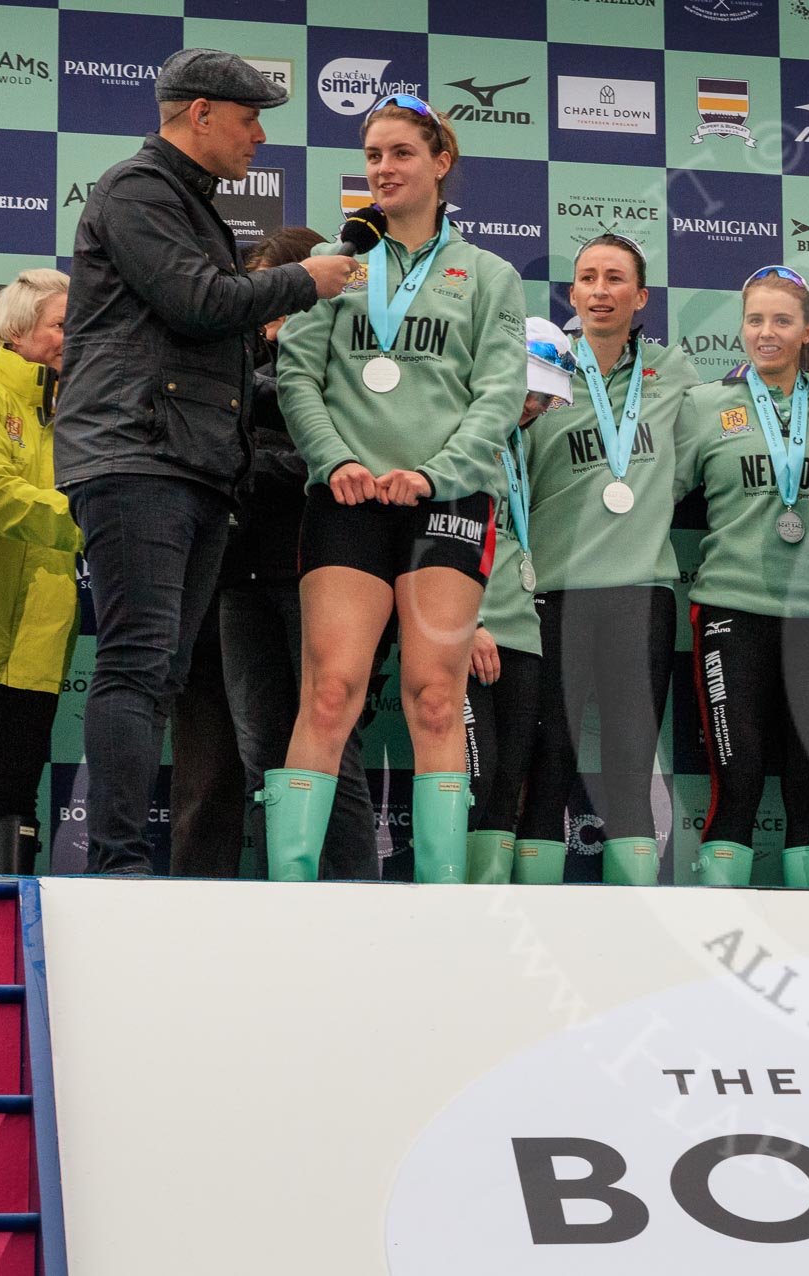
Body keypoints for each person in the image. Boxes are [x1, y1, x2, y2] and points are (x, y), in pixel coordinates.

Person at [56, 48, 355, 875]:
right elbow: (199, 302)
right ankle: (116, 866)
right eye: (250, 116)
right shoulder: (139, 191)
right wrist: (305, 281)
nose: (260, 134)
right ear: (200, 115)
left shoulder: (185, 203)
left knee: (159, 671)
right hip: (137, 457)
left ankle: (124, 862)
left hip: (182, 465)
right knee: (135, 665)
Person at [265, 94, 525, 884]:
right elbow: (297, 376)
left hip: (444, 503)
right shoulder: (336, 268)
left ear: (441, 163)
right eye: (373, 155)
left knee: (434, 697)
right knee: (332, 690)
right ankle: (293, 895)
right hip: (344, 501)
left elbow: (500, 392)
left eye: (401, 153)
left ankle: (441, 903)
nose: (383, 169)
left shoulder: (488, 274)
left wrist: (436, 472)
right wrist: (333, 458)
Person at [512, 235, 698, 886]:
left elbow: (695, 463)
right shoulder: (542, 370)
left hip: (641, 593)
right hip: (554, 593)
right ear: (572, 293)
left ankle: (636, 925)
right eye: (586, 277)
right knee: (549, 760)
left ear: (640, 296)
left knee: (629, 763)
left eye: (614, 278)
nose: (598, 289)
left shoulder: (672, 371)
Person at [681, 267, 809, 890]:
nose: (766, 332)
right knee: (740, 779)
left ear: (808, 329)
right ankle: (713, 943)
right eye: (755, 319)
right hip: (733, 607)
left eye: (782, 320)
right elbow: (655, 495)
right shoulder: (703, 405)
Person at [220, 227, 377, 881]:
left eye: (280, 294)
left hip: (325, 571)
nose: (269, 310)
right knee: (262, 756)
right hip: (240, 578)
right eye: (261, 297)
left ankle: (355, 907)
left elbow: (348, 461)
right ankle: (278, 904)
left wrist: (246, 459)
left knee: (332, 750)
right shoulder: (232, 362)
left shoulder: (352, 362)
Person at [462, 318, 575, 883]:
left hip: (522, 630)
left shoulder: (521, 441)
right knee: (470, 781)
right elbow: (425, 535)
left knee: (507, 785)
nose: (530, 405)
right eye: (524, 389)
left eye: (543, 397)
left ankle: (491, 922)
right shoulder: (459, 429)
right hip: (463, 628)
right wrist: (465, 623)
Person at [0, 270, 79, 876]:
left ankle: (8, 944)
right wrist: (90, 517)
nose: (71, 337)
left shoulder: (75, 404)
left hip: (40, 640)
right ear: (18, 330)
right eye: (59, 325)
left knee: (17, 790)